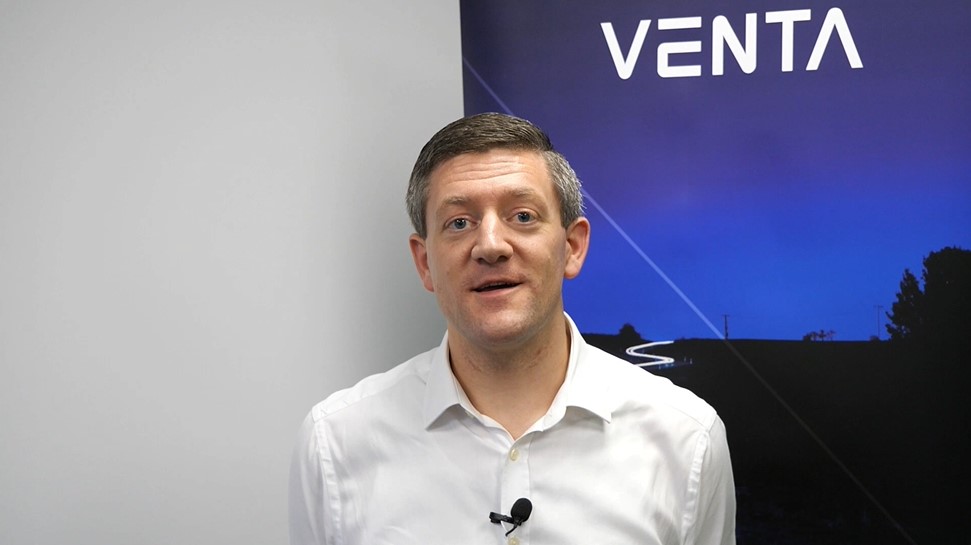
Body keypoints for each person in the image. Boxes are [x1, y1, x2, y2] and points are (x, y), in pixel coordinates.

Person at [289, 113, 736, 544]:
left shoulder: (685, 440)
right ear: (425, 263)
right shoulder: (336, 445)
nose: (489, 245)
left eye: (522, 216)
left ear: (572, 247)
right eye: (459, 223)